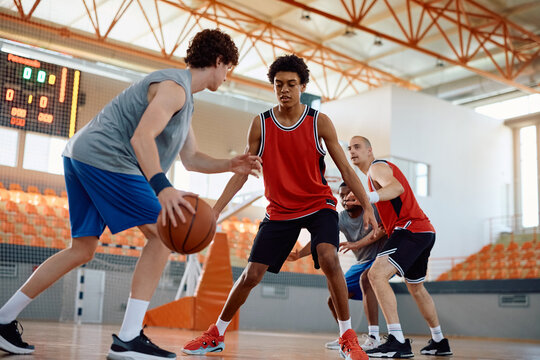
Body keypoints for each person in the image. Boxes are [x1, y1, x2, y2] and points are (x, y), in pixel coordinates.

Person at [0, 29, 262, 360]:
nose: (227, 77)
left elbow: (192, 159)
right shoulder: (174, 89)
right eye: (228, 69)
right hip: (108, 158)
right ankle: (128, 338)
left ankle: (3, 318)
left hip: (82, 154)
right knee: (164, 236)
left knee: (82, 250)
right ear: (219, 61)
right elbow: (141, 139)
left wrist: (230, 163)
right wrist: (162, 187)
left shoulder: (184, 100)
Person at [182, 54, 378, 360]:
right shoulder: (260, 124)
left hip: (318, 204)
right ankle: (216, 333)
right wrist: (217, 209)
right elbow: (243, 170)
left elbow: (347, 170)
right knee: (251, 275)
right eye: (278, 85)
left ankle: (346, 336)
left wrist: (367, 205)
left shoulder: (319, 122)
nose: (284, 90)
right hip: (279, 211)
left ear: (302, 87)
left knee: (328, 256)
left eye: (291, 84)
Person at [347, 136, 452, 358]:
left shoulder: (377, 168)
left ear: (369, 150)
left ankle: (396, 340)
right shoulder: (371, 175)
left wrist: (368, 197)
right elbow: (387, 225)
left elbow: (396, 188)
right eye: (349, 148)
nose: (352, 151)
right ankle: (439, 340)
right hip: (423, 231)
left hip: (411, 229)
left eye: (357, 147)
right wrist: (364, 235)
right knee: (416, 288)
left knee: (375, 274)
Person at [288, 182, 387, 351]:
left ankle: (374, 337)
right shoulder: (341, 218)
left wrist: (357, 244)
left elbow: (383, 229)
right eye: (341, 195)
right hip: (361, 262)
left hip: (382, 258)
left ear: (358, 194)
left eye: (349, 194)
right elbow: (320, 238)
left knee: (367, 279)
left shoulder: (372, 209)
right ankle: (347, 335)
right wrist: (299, 255)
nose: (345, 198)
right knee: (333, 299)